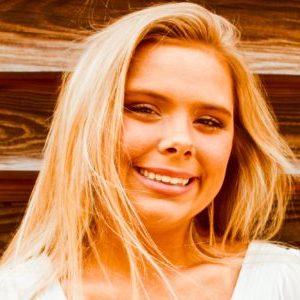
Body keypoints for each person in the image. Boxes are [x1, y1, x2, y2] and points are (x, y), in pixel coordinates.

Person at [1, 2, 299, 299]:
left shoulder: (285, 282)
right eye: (143, 109)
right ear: (85, 122)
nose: (181, 140)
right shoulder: (16, 291)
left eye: (209, 121)